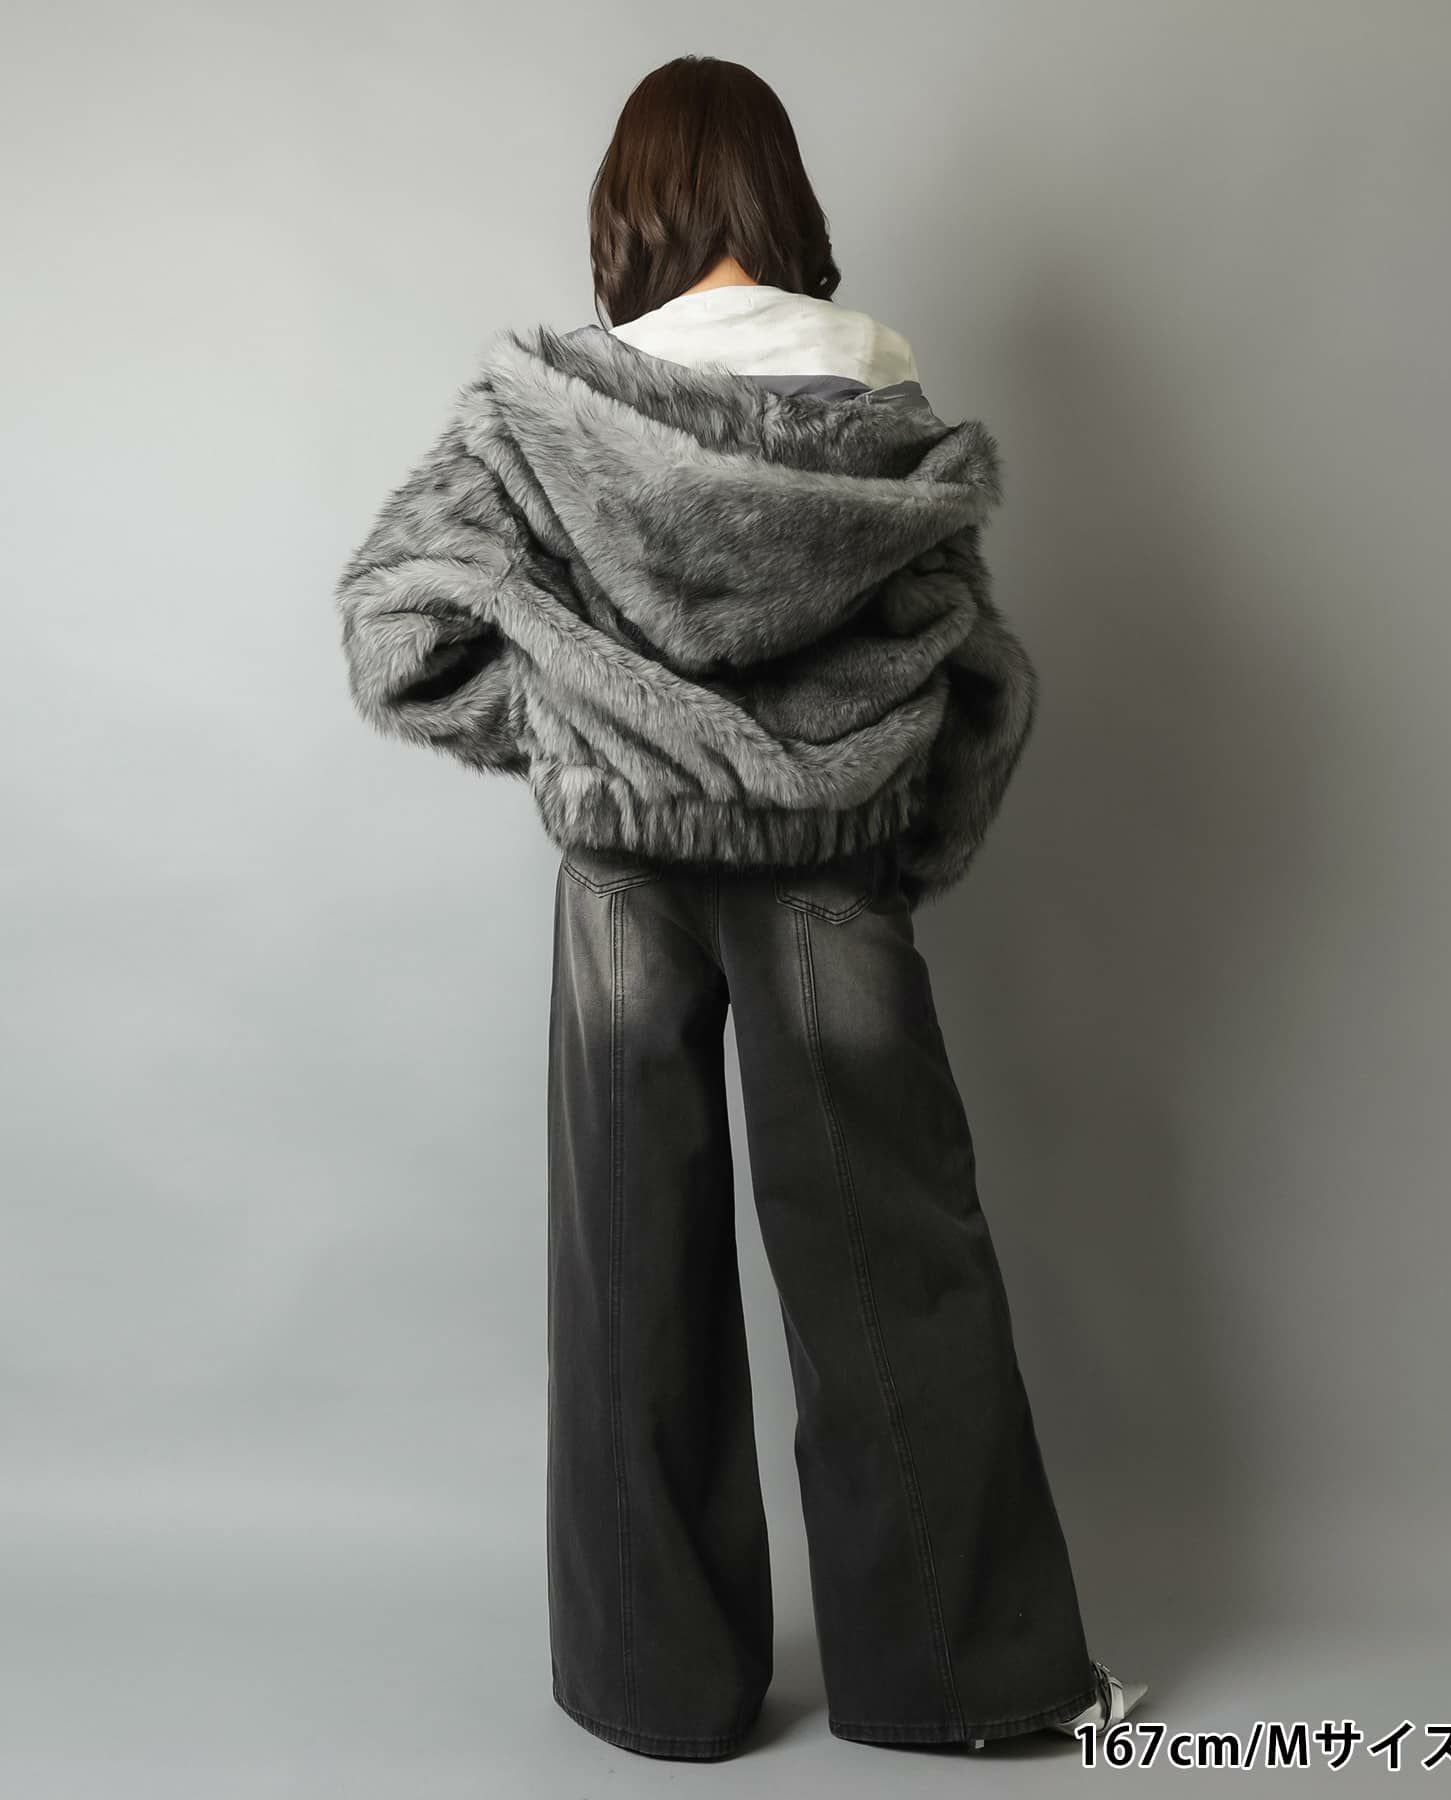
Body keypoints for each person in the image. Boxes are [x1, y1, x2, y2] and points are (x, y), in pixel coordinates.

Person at [333, 52, 1146, 1762]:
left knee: (630, 1267)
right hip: (830, 868)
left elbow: (401, 633)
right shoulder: (881, 404)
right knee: (892, 1258)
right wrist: (894, 833)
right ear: (779, 197)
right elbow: (978, 675)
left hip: (622, 871)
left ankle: (657, 1687)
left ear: (629, 206)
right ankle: (962, 1681)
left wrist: (582, 728)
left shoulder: (551, 413)